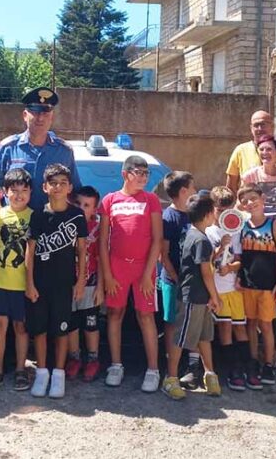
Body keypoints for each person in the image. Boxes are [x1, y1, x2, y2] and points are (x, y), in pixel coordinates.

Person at [99, 155, 163, 392]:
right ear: (125, 174)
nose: (144, 177)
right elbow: (103, 241)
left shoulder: (152, 200)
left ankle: (153, 369)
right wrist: (107, 275)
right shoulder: (109, 200)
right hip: (117, 267)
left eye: (147, 173)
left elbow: (157, 239)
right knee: (115, 313)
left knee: (145, 316)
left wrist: (148, 274)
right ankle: (116, 365)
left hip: (143, 268)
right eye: (139, 172)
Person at [25, 164, 87, 398]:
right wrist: (29, 283)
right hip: (40, 283)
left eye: (63, 182)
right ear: (45, 187)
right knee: (39, 330)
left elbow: (82, 251)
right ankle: (42, 372)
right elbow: (30, 252)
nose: (58, 187)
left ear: (70, 186)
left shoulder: (77, 215)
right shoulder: (38, 215)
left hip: (64, 283)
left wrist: (80, 281)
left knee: (62, 330)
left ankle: (58, 374)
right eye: (53, 183)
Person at [162, 195, 222, 400]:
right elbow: (206, 272)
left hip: (200, 297)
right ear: (207, 215)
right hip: (192, 297)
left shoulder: (191, 234)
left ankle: (210, 374)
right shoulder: (201, 240)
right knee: (180, 338)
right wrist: (216, 297)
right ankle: (170, 379)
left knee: (205, 336)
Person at [0, 168, 33, 392]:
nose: (18, 195)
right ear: (4, 192)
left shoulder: (34, 216)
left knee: (21, 328)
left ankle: (21, 369)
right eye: (14, 190)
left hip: (23, 284)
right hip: (0, 282)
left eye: (24, 190)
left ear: (30, 193)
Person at [0, 87, 81, 213]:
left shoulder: (64, 151)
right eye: (35, 112)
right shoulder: (8, 147)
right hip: (16, 225)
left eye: (45, 113)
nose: (40, 118)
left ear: (51, 117)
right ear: (25, 115)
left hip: (51, 225)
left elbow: (75, 190)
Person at [236, 183, 276, 387]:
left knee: (266, 325)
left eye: (253, 198)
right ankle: (253, 361)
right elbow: (239, 254)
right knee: (250, 323)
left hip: (268, 285)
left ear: (262, 199)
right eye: (245, 200)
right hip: (247, 284)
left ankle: (268, 363)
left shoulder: (272, 224)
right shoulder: (241, 225)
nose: (250, 203)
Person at [205, 186, 254, 391]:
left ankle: (248, 366)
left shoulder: (237, 228)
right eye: (219, 210)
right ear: (212, 209)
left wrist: (231, 267)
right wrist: (219, 249)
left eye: (227, 210)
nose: (223, 214)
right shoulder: (207, 231)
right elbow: (205, 262)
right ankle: (232, 369)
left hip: (233, 287)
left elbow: (240, 260)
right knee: (224, 327)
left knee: (240, 327)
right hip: (216, 288)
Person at [158, 171, 198, 386]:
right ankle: (171, 365)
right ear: (183, 191)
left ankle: (192, 366)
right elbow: (163, 254)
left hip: (194, 281)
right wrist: (176, 278)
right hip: (173, 281)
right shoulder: (168, 217)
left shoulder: (194, 213)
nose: (195, 191)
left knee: (193, 322)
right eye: (192, 188)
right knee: (173, 323)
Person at [65, 185, 103, 382]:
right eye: (78, 203)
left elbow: (102, 257)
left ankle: (93, 358)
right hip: (68, 281)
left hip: (91, 280)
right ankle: (74, 358)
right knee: (71, 321)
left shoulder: (98, 228)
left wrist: (101, 286)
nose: (81, 208)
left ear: (95, 209)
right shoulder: (66, 223)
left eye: (86, 205)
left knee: (90, 321)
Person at [226, 110, 276, 193]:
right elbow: (231, 187)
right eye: (256, 125)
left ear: (272, 126)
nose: (259, 129)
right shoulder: (240, 151)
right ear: (251, 128)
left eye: (263, 124)